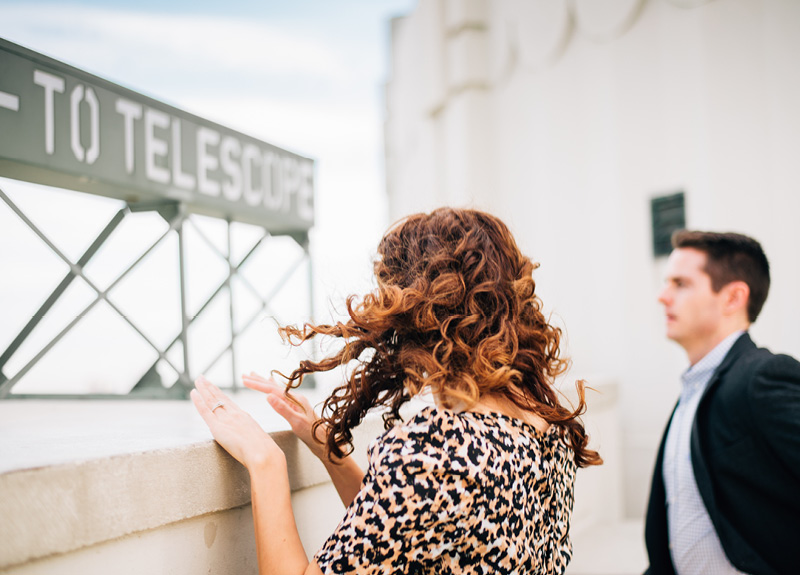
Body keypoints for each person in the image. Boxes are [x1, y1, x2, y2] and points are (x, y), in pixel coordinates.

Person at [191, 207, 602, 575]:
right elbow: (402, 534)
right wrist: (328, 449)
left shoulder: (437, 448)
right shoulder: (548, 427)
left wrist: (264, 460)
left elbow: (411, 505)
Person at [644, 230, 800, 575]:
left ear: (733, 298)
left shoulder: (763, 376)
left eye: (680, 284)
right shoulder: (692, 390)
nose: (662, 296)